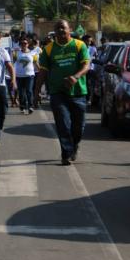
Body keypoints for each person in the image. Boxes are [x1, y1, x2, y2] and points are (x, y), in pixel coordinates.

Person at [35, 20, 90, 165]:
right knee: (63, 124)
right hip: (58, 92)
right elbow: (43, 72)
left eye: (63, 28)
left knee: (79, 126)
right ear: (54, 32)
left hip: (78, 92)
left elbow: (86, 65)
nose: (60, 30)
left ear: (70, 29)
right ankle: (66, 153)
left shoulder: (79, 45)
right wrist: (36, 93)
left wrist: (75, 77)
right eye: (57, 28)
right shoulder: (48, 49)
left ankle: (74, 144)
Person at [14, 37, 37, 115]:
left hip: (29, 75)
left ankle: (30, 106)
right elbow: (11, 62)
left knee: (29, 91)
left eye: (25, 43)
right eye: (22, 44)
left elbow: (36, 63)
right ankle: (22, 107)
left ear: (28, 44)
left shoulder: (33, 53)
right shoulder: (16, 53)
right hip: (19, 76)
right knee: (21, 93)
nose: (24, 45)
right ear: (20, 45)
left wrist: (41, 71)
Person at [81, 34, 97, 104]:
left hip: (90, 69)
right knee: (84, 83)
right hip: (82, 69)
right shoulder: (80, 48)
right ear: (84, 41)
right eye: (88, 41)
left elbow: (95, 58)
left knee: (89, 84)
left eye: (90, 41)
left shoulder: (93, 49)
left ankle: (89, 98)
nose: (89, 42)